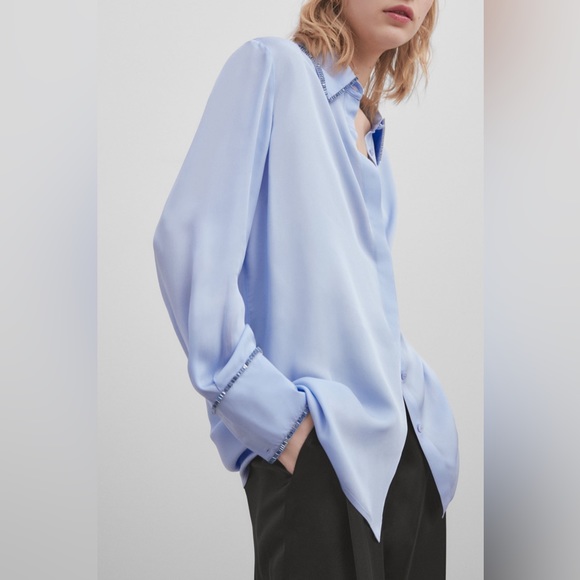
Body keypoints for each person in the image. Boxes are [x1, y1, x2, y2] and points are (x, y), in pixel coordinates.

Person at [153, 0, 459, 578]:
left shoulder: (371, 138)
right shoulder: (271, 69)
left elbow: (365, 313)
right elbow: (185, 248)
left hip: (411, 459)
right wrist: (286, 428)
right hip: (319, 459)